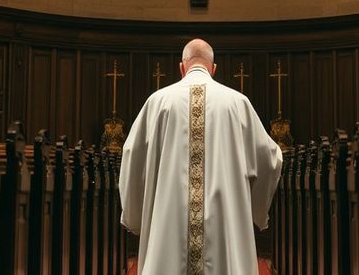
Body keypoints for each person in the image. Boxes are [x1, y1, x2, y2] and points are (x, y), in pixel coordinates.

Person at [120, 39, 282, 274]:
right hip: (225, 227)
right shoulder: (238, 103)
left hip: (168, 228)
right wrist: (258, 213)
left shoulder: (157, 102)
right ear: (213, 68)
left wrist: (135, 218)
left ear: (181, 67)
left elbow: (131, 156)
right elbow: (269, 159)